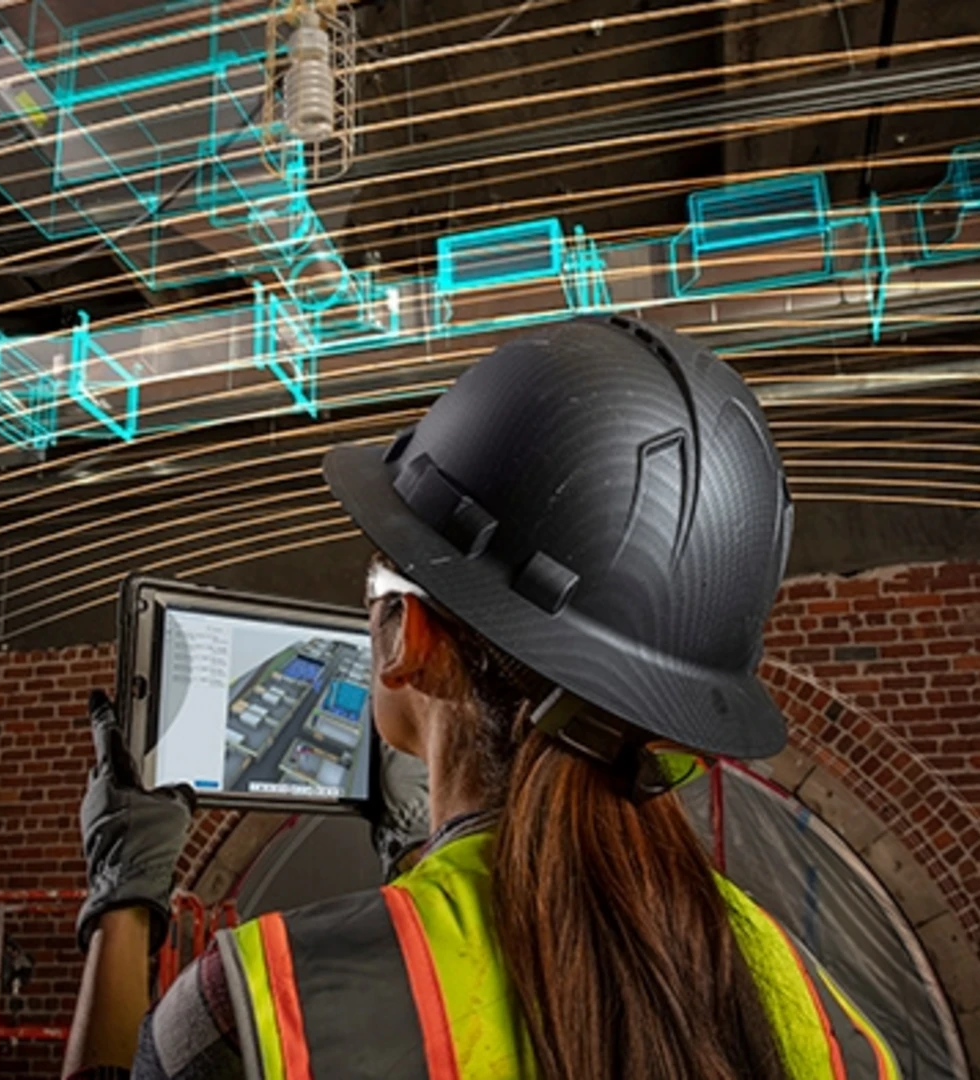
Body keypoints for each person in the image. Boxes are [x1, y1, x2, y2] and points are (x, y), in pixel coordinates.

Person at [61, 317, 899, 1080]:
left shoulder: (267, 1005)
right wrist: (416, 859)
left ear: (407, 639)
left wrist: (125, 899)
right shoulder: (829, 1021)